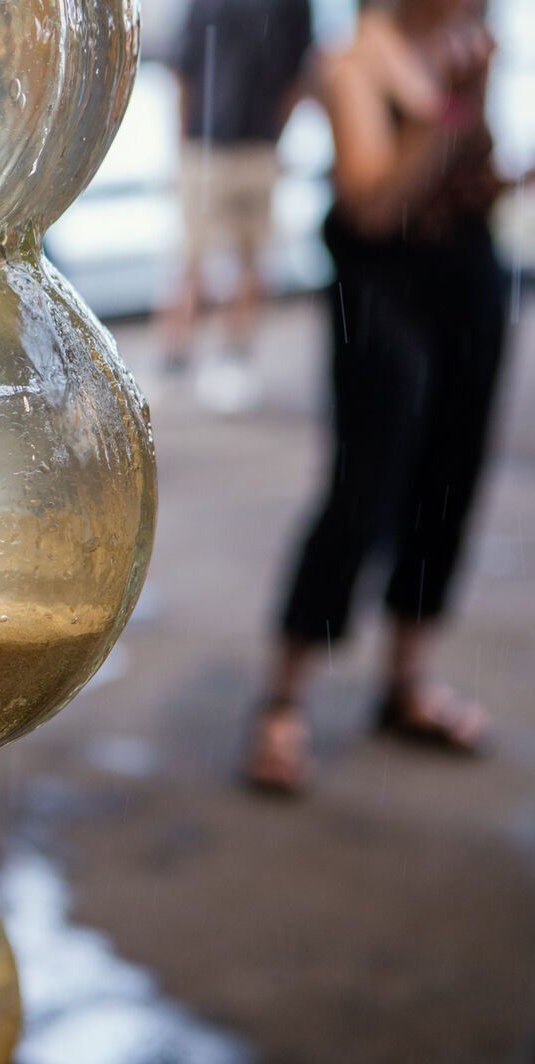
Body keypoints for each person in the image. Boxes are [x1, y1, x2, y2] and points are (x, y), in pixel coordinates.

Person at [243, 0, 513, 794]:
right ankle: (282, 702)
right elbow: (372, 203)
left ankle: (407, 681)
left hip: (469, 280)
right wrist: (449, 114)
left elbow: (466, 175)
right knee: (364, 489)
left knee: (449, 482)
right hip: (383, 289)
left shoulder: (466, 41)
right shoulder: (353, 60)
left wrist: (486, 140)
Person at [163, 0, 314, 412]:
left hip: (225, 144)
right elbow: (298, 78)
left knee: (221, 260)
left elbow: (183, 67)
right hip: (231, 144)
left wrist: (187, 137)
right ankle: (195, 356)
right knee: (210, 260)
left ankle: (210, 356)